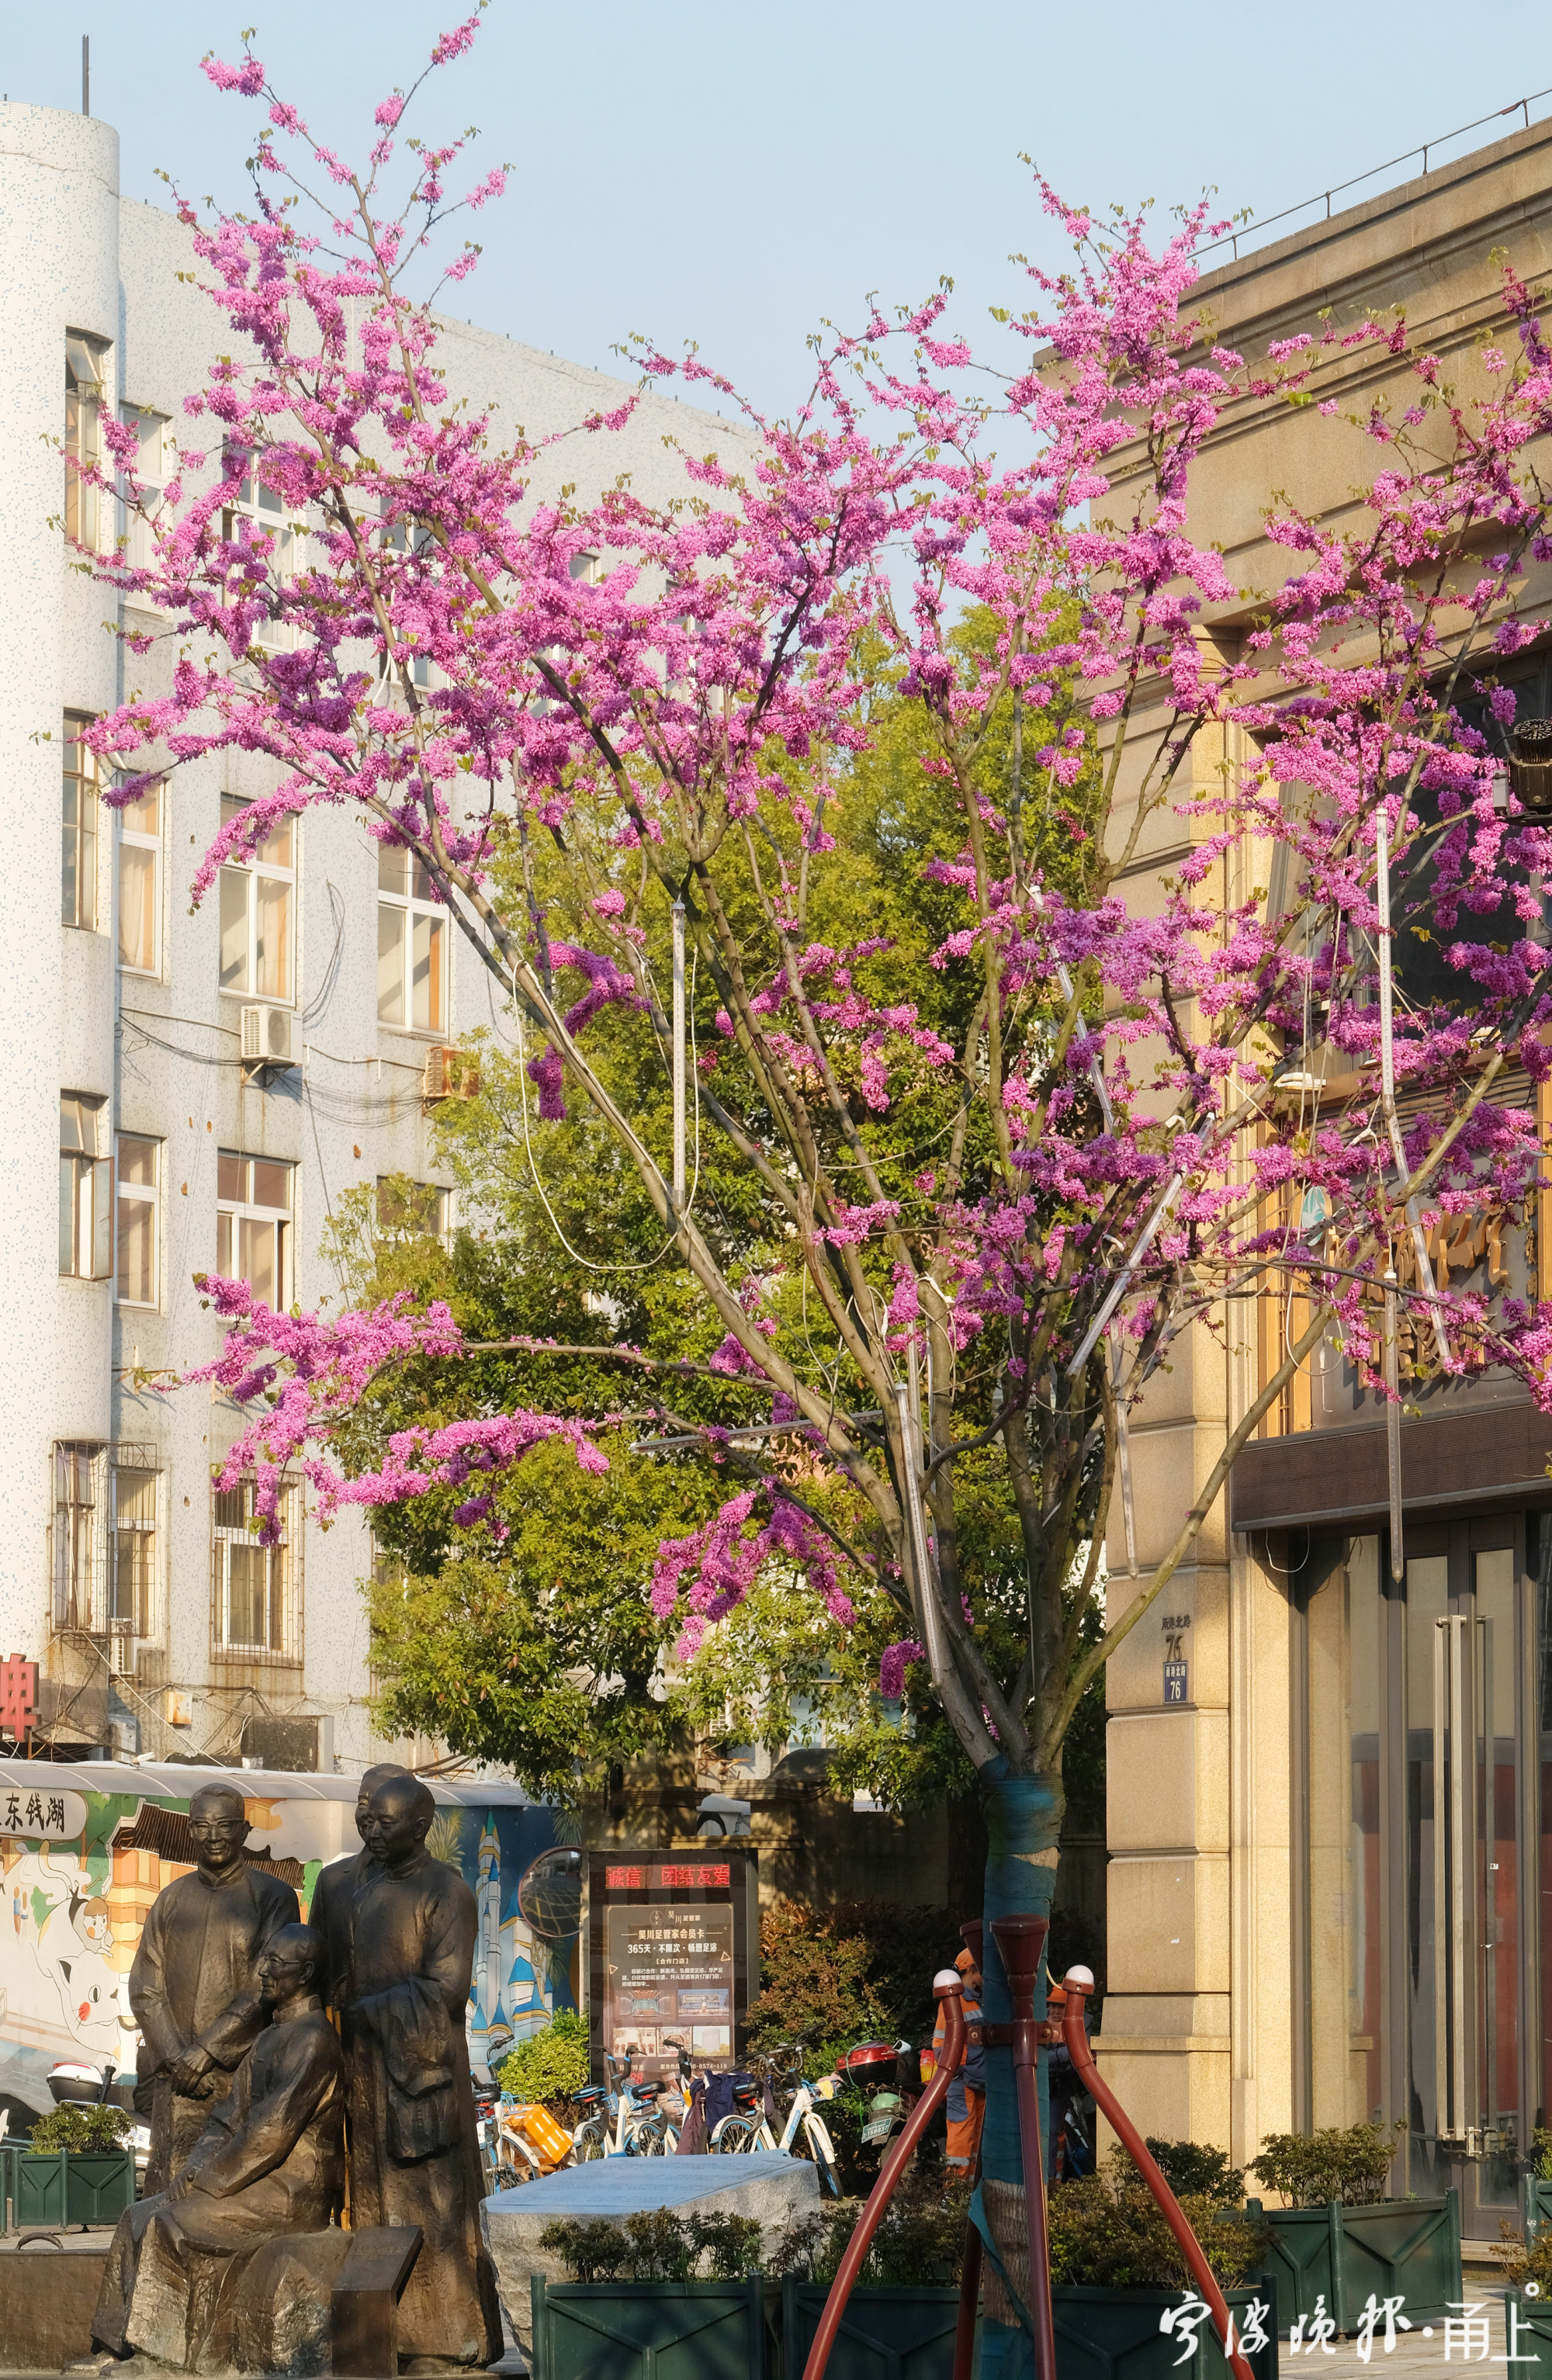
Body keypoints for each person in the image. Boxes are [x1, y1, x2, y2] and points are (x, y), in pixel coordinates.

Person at [93, 1922, 346, 2368]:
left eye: (275, 1963)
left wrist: (207, 2182)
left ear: (305, 1973)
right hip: (245, 2178)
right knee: (137, 2214)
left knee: (172, 2225)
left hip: (287, 2190)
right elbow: (227, 2119)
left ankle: (159, 2358)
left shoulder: (315, 2041)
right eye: (264, 1959)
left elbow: (270, 2133)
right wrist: (192, 2170)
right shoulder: (269, 2036)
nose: (263, 1971)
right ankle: (115, 2347)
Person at [334, 1772, 500, 2374]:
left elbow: (447, 1986)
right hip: (369, 2073)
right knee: (377, 2201)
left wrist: (372, 2010)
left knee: (435, 2207)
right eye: (368, 1820)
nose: (372, 1830)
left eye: (386, 1822)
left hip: (422, 2074)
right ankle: (391, 2335)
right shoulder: (361, 1890)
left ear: (421, 1825)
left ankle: (450, 2340)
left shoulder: (446, 1891)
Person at [129, 1780, 300, 2192]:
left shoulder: (273, 1897)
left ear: (243, 1830)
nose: (213, 1837)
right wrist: (176, 2059)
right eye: (202, 1826)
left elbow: (268, 1984)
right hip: (177, 2082)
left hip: (241, 2075)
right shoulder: (170, 1900)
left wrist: (205, 2053)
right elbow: (145, 1986)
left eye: (224, 1826)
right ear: (190, 1831)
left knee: (231, 2193)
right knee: (169, 2194)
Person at [308, 1760, 411, 2006]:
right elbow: (315, 1966)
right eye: (363, 1803)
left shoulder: (434, 1883)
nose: (367, 1813)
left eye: (379, 1804)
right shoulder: (331, 1880)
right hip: (340, 2033)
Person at [933, 1945, 986, 2175]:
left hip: (978, 2080)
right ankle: (953, 2194)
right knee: (961, 2137)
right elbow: (941, 2046)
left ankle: (969, 2194)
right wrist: (961, 2072)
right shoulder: (954, 2000)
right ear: (972, 1969)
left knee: (976, 2138)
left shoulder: (976, 2001)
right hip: (963, 2081)